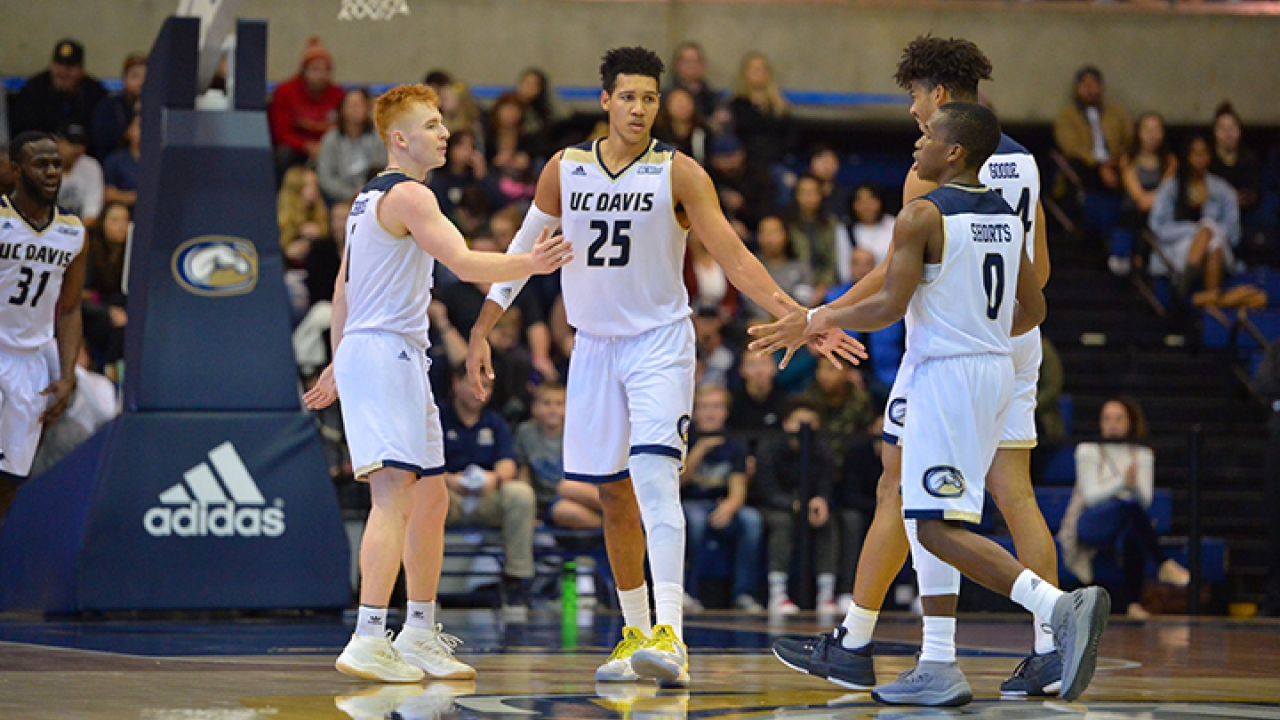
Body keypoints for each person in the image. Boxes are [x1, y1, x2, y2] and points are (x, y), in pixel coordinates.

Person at [464, 47, 862, 689]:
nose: (640, 108)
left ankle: (672, 633)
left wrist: (801, 317)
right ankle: (634, 631)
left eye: (650, 97)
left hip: (659, 342)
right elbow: (519, 252)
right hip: (592, 345)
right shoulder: (563, 170)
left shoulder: (680, 173)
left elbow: (733, 256)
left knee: (653, 478)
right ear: (605, 100)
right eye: (628, 96)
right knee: (613, 494)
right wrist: (483, 327)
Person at [761, 36, 1064, 703]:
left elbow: (894, 276)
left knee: (906, 492)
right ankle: (1049, 650)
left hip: (951, 349)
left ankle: (874, 645)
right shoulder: (1024, 163)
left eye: (915, 98)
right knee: (1012, 493)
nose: (912, 115)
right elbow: (1036, 276)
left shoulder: (930, 174)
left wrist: (821, 315)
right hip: (1010, 336)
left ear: (942, 99)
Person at [798, 102, 1109, 706]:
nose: (917, 144)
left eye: (928, 136)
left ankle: (1059, 606)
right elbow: (1036, 306)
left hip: (946, 376)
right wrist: (985, 331)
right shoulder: (1003, 214)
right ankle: (937, 665)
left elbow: (888, 305)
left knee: (935, 529)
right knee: (934, 515)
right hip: (997, 371)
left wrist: (819, 318)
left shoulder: (922, 214)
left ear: (955, 151)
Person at [302, 83, 572, 683]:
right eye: (431, 124)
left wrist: (336, 357)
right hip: (385, 355)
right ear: (400, 138)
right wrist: (531, 263)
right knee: (394, 494)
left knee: (432, 496)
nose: (444, 132)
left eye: (442, 122)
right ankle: (369, 635)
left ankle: (419, 631)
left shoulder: (366, 199)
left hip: (390, 354)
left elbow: (344, 286)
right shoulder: (409, 196)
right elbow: (465, 262)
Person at [0, 132, 88, 524]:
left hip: (32, 363)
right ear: (16, 170)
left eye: (56, 163)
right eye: (41, 163)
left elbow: (69, 310)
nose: (53, 171)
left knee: (10, 481)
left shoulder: (73, 232)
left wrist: (67, 375)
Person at [1059, 397, 1190, 620]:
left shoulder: (1142, 453)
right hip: (1090, 523)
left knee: (1132, 529)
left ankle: (1133, 604)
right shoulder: (1088, 449)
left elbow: (1145, 499)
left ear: (1130, 422)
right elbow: (1091, 497)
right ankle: (1162, 562)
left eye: (1118, 418)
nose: (1112, 424)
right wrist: (1123, 482)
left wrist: (1125, 488)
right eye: (1107, 418)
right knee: (1128, 508)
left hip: (1125, 521)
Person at [439, 364, 536, 612]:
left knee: (520, 494)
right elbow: (421, 465)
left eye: (487, 386)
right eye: (473, 383)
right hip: (447, 495)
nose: (479, 391)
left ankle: (515, 581)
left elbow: (507, 465)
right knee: (419, 495)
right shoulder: (437, 418)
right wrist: (449, 480)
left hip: (485, 494)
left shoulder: (495, 423)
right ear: (456, 383)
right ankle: (414, 591)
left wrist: (493, 479)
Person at [680, 384, 764, 612]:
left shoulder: (734, 442)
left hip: (721, 503)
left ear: (725, 411)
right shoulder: (685, 438)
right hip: (688, 502)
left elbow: (739, 485)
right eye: (704, 407)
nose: (710, 413)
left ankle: (744, 594)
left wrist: (731, 505)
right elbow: (677, 483)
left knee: (751, 520)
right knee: (695, 522)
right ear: (694, 412)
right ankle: (688, 592)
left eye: (716, 407)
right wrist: (700, 450)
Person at [752, 399, 838, 614]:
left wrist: (821, 500)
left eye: (810, 423)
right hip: (775, 506)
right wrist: (794, 504)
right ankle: (778, 594)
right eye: (798, 423)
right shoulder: (770, 446)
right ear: (786, 424)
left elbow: (827, 481)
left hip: (809, 506)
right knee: (782, 524)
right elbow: (766, 490)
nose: (804, 429)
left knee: (830, 522)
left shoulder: (822, 448)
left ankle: (827, 594)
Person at [1148, 135, 1240, 305]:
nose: (1200, 158)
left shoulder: (1223, 190)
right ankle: (1210, 301)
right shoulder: (1170, 187)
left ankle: (1182, 292)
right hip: (1177, 246)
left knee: (1213, 238)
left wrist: (1209, 230)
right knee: (1207, 233)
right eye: (1195, 154)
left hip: (1219, 250)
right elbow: (1157, 227)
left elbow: (1234, 234)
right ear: (1186, 156)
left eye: (1204, 153)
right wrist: (1195, 230)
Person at [515, 382, 603, 529]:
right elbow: (524, 474)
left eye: (559, 404)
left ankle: (630, 515)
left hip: (583, 493)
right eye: (546, 403)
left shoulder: (578, 432)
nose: (553, 409)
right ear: (534, 408)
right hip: (551, 502)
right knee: (563, 509)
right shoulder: (526, 433)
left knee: (568, 486)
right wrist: (529, 513)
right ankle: (616, 528)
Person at [267, 37, 345, 178]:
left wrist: (325, 147)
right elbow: (281, 134)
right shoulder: (285, 92)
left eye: (325, 70)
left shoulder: (338, 95)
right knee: (283, 155)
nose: (321, 75)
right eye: (315, 69)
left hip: (329, 149)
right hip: (297, 151)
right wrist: (307, 146)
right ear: (304, 70)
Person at [1114, 112, 1176, 275]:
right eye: (1147, 130)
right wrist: (1151, 199)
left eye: (1157, 131)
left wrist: (1153, 200)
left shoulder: (1170, 161)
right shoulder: (1127, 159)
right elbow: (1138, 197)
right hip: (1133, 212)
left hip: (1161, 211)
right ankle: (1130, 260)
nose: (1152, 136)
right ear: (1139, 133)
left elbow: (1167, 190)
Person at [9, 40, 107, 137]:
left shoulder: (95, 93)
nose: (63, 72)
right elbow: (22, 129)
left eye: (70, 67)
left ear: (81, 70)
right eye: (59, 65)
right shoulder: (34, 89)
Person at [316, 88, 387, 204]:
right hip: (339, 197)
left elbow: (384, 167)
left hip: (373, 195)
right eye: (352, 105)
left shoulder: (378, 137)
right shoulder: (331, 139)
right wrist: (349, 194)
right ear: (342, 109)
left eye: (360, 105)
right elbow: (325, 177)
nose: (356, 109)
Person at [82, 201, 131, 365]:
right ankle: (109, 372)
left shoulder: (133, 253)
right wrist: (108, 311)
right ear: (103, 223)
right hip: (94, 313)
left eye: (125, 220)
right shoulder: (89, 251)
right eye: (115, 220)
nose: (121, 226)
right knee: (118, 326)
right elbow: (82, 296)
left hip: (121, 309)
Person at [728, 51, 791, 172]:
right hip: (745, 165)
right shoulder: (736, 105)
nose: (759, 73)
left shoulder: (778, 107)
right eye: (754, 69)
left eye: (762, 69)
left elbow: (788, 137)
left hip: (774, 162)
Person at [789, 175, 847, 294]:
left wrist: (824, 285)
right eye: (804, 192)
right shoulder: (787, 225)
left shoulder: (831, 224)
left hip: (827, 285)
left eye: (813, 192)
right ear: (796, 195)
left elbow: (834, 258)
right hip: (794, 284)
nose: (809, 197)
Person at [89, 54, 145, 160]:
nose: (141, 83)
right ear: (124, 79)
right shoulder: (108, 107)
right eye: (135, 77)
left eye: (146, 78)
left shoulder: (156, 107)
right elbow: (101, 141)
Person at [54, 123, 103, 223]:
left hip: (79, 228)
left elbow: (92, 212)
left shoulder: (90, 166)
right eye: (71, 143)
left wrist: (75, 232)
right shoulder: (46, 167)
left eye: (80, 144)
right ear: (58, 142)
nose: (77, 148)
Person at [102, 114, 141, 208]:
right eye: (139, 126)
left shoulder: (159, 161)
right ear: (128, 131)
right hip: (125, 216)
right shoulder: (115, 160)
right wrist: (137, 198)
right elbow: (108, 194)